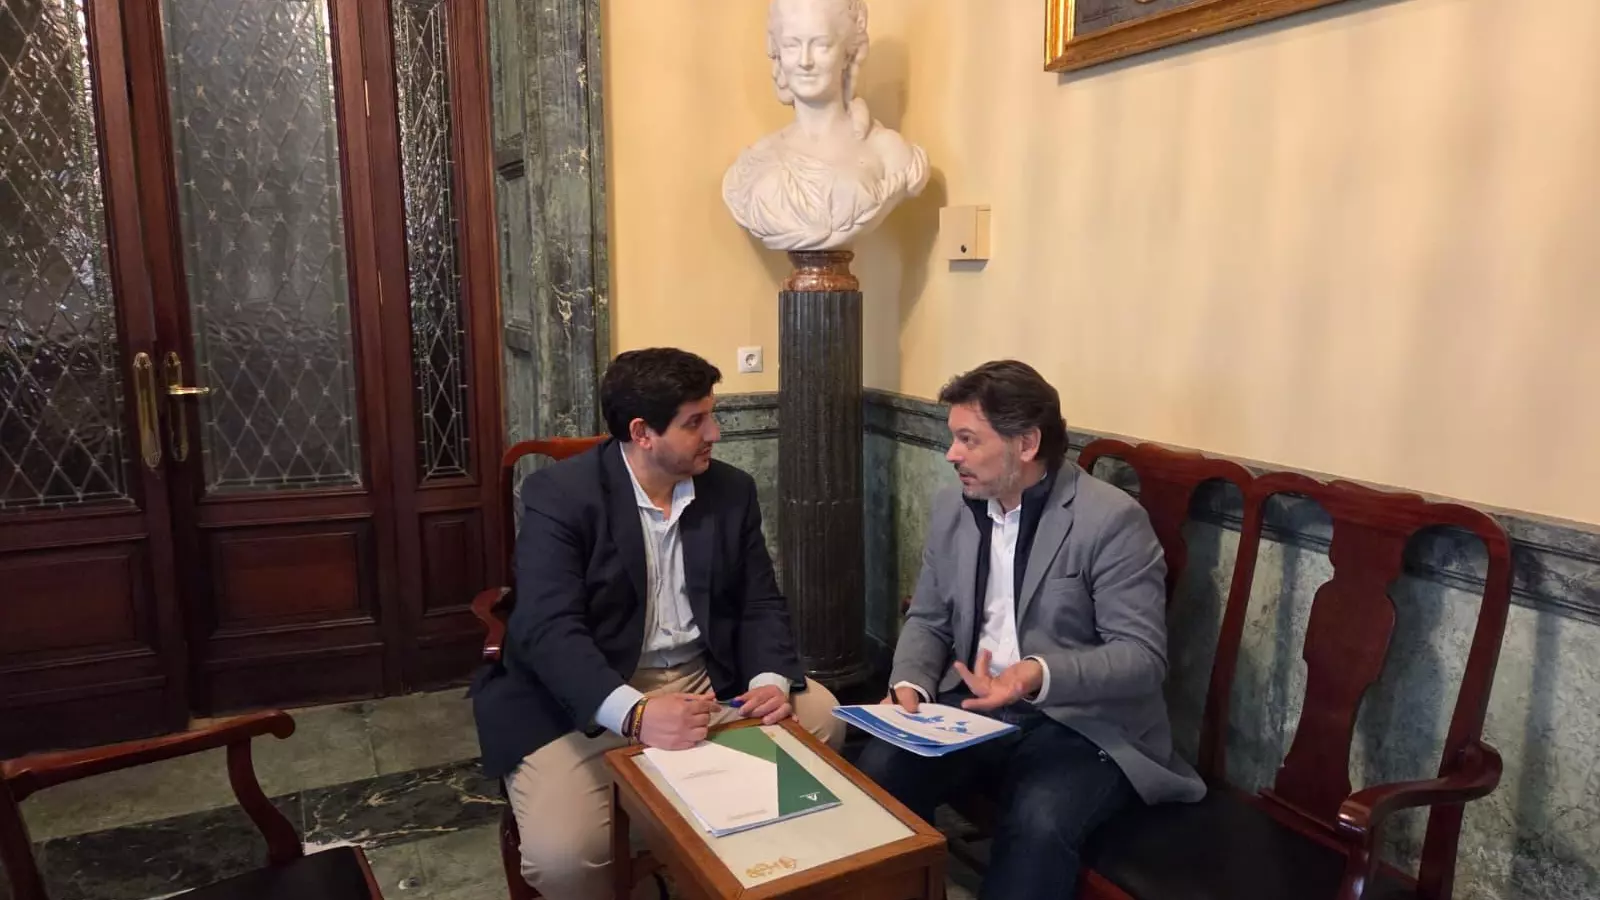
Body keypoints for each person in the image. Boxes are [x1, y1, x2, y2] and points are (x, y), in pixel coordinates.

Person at [471, 347, 844, 900]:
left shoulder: (731, 490)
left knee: (825, 717)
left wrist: (768, 678)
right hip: (589, 694)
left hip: (707, 679)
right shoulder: (561, 495)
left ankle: (719, 860)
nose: (715, 433)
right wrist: (637, 713)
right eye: (696, 422)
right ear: (642, 433)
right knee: (567, 859)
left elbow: (760, 601)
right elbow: (549, 628)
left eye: (712, 415)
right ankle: (681, 841)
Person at [856, 360, 1204, 900]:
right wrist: (911, 686)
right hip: (975, 707)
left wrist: (1034, 674)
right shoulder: (954, 506)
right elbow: (927, 616)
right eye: (953, 437)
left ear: (1026, 443)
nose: (951, 454)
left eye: (968, 440)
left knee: (1038, 822)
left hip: (1082, 724)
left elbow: (1141, 657)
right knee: (879, 769)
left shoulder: (1110, 520)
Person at [722, 0, 929, 251]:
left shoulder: (890, 153)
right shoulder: (756, 162)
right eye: (791, 45)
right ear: (778, 52)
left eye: (821, 45)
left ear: (848, 53)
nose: (805, 61)